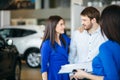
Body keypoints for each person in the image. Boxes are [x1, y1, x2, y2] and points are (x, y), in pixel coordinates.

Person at [73, 5, 120, 80]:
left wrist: (85, 75)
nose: (82, 23)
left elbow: (112, 78)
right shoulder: (78, 33)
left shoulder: (106, 45)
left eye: (84, 20)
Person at [69, 6, 107, 75]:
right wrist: (71, 74)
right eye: (81, 20)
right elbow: (72, 56)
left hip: (98, 74)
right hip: (79, 74)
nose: (82, 23)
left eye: (84, 20)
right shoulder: (77, 34)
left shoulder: (105, 34)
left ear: (93, 20)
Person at [40, 15, 70, 80]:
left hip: (66, 73)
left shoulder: (65, 38)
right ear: (53, 26)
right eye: (61, 24)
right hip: (54, 74)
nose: (64, 27)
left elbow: (76, 43)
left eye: (63, 24)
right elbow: (44, 66)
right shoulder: (47, 44)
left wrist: (80, 31)